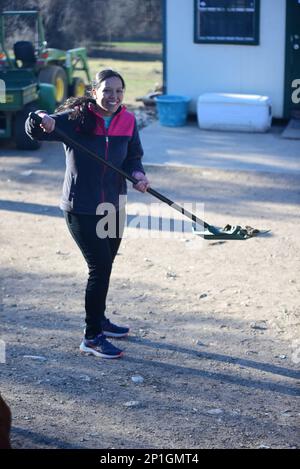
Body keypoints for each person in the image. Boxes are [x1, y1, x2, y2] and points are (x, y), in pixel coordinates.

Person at [26, 69, 149, 359]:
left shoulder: (128, 120)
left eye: (119, 91)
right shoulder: (76, 119)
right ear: (94, 92)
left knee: (106, 266)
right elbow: (38, 130)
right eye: (107, 90)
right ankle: (92, 336)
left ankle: (100, 320)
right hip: (81, 206)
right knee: (100, 267)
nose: (113, 96)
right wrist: (38, 117)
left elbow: (133, 156)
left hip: (114, 206)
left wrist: (138, 175)